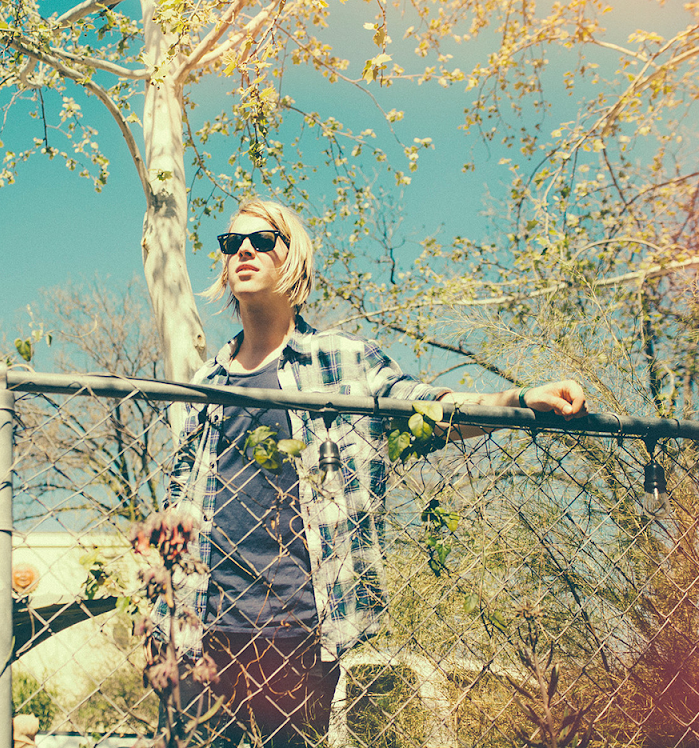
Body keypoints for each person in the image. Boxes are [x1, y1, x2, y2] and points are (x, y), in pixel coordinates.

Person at [157, 199, 586, 747]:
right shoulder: (205, 382)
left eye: (262, 240)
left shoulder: (345, 361)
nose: (243, 250)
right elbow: (180, 503)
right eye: (231, 242)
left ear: (293, 259)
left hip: (298, 626)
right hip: (202, 627)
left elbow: (429, 408)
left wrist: (518, 399)